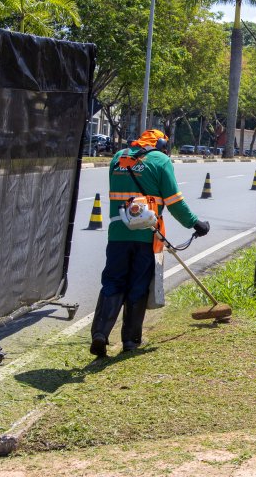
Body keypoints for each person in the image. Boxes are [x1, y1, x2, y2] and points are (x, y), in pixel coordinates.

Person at [90, 128, 210, 357]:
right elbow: (174, 202)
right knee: (138, 285)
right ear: (160, 144)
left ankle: (100, 333)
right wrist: (196, 224)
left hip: (118, 234)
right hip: (146, 236)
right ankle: (130, 341)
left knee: (113, 281)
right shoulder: (161, 160)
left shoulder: (118, 158)